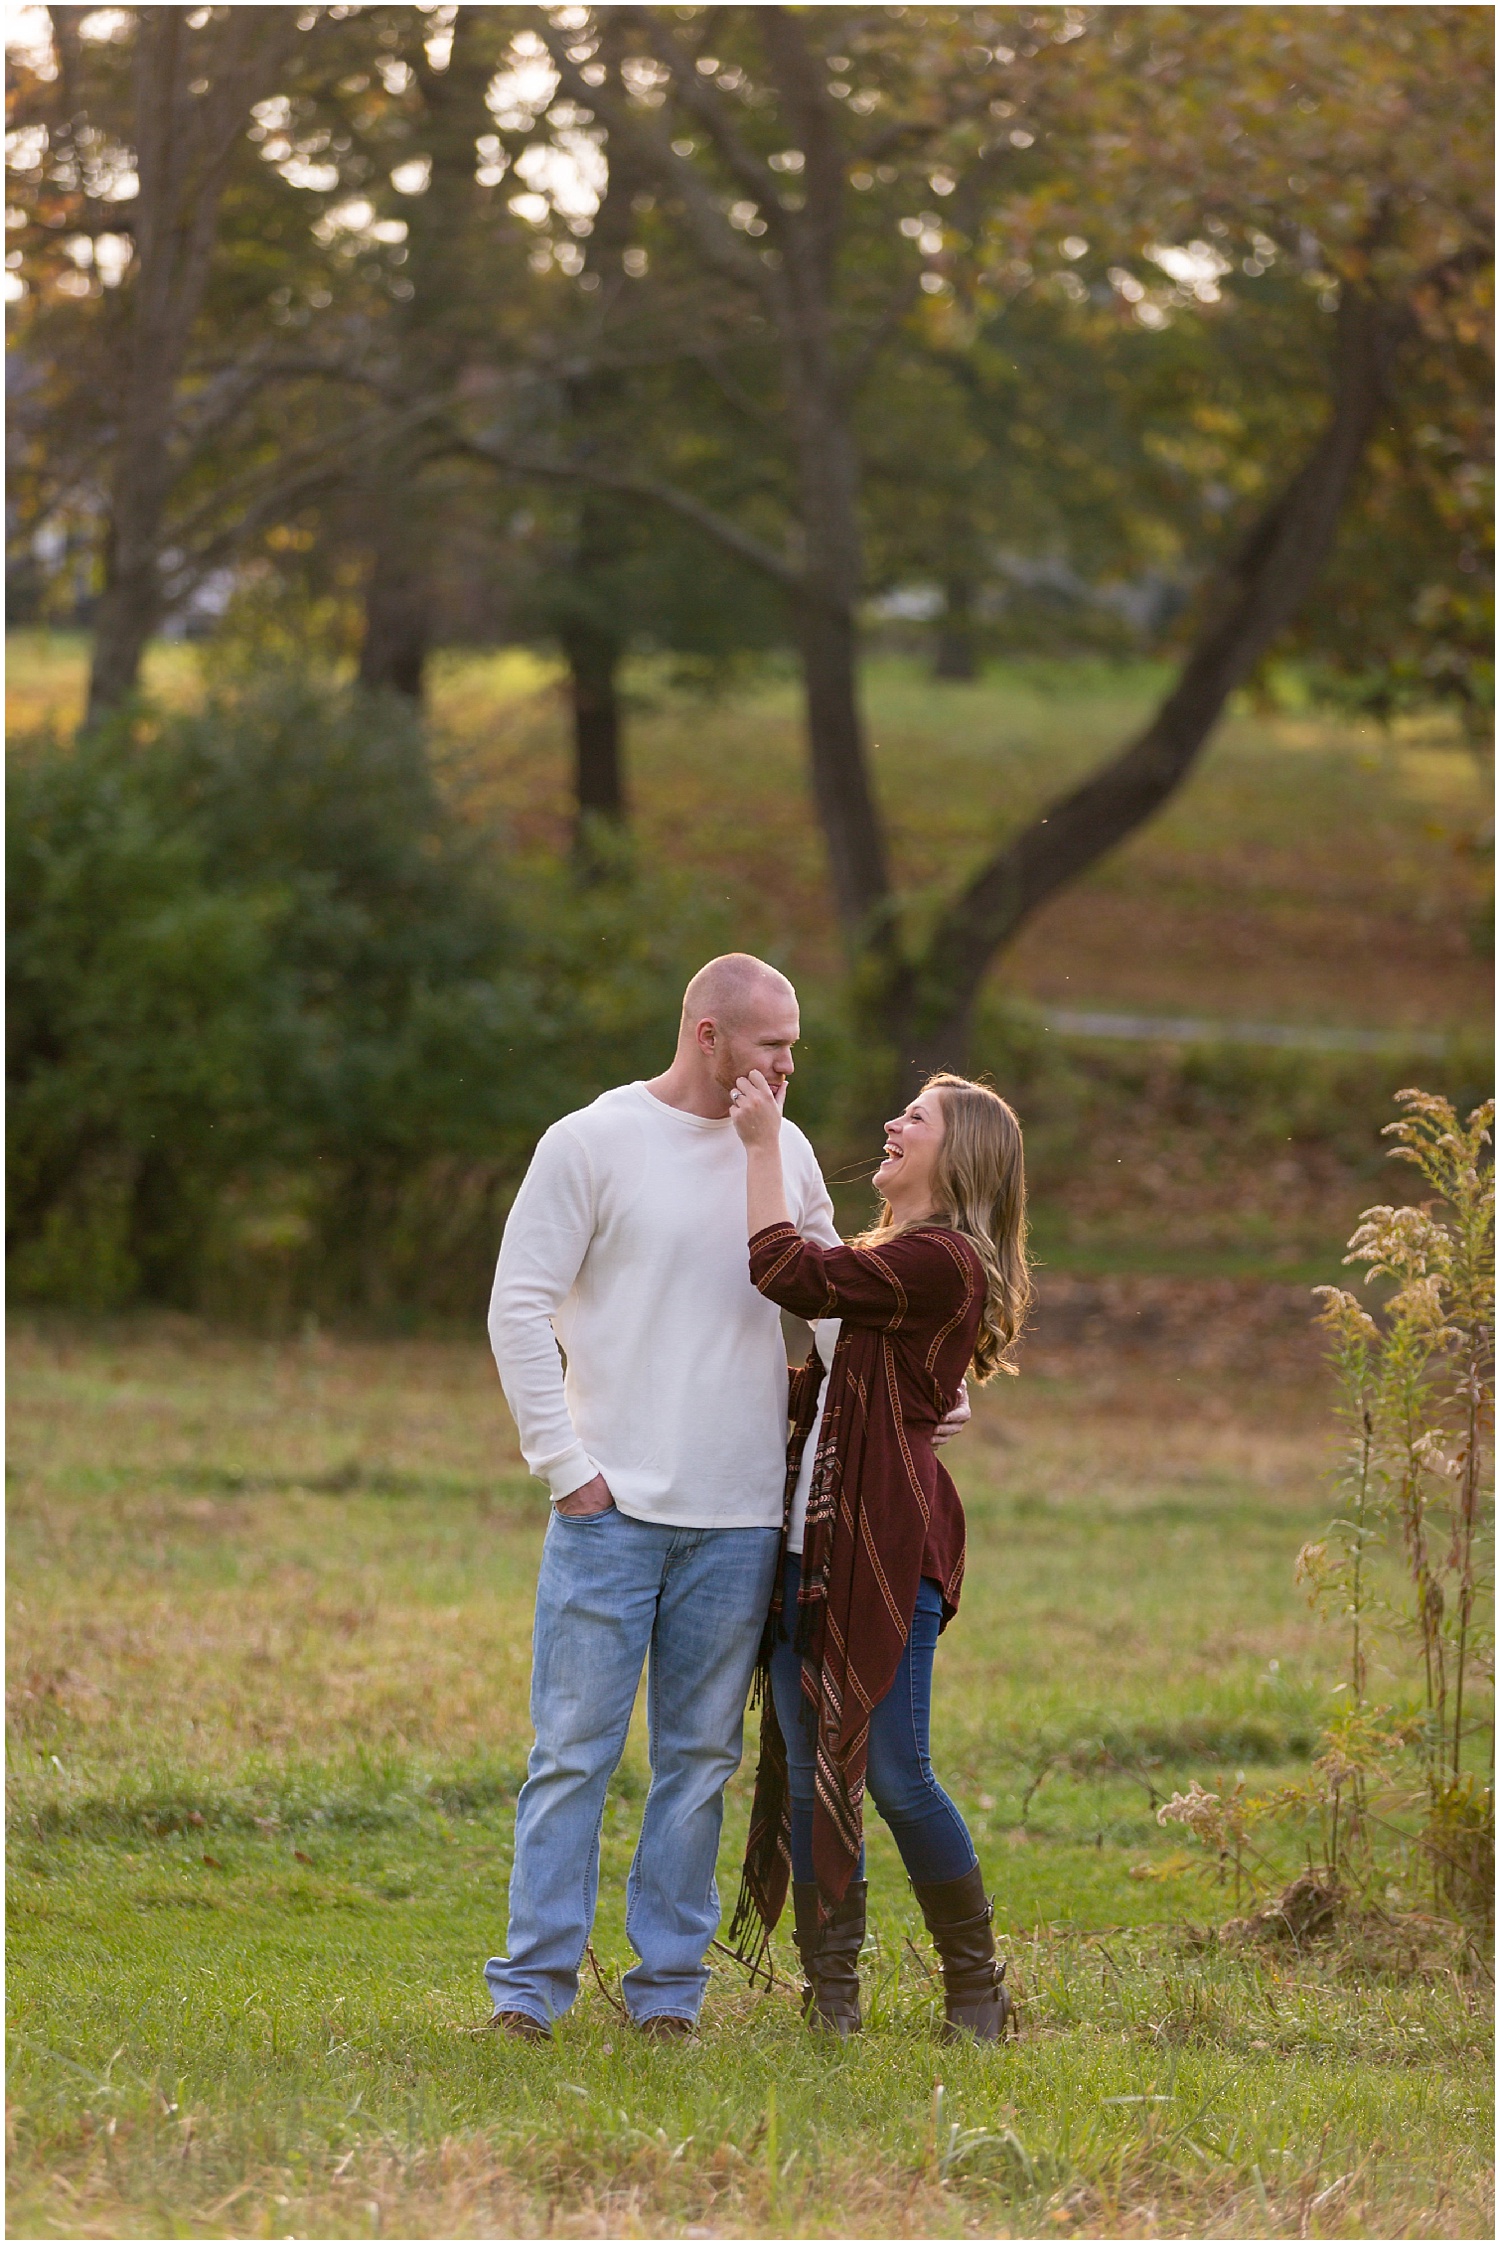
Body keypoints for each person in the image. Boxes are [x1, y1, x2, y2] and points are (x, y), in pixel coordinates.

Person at [483, 953, 970, 2041]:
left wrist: (936, 1382)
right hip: (608, 1510)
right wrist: (568, 1472)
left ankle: (668, 1995)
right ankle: (530, 1991)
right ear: (709, 1035)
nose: (791, 1064)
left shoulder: (783, 1151)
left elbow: (833, 1289)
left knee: (701, 1759)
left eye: (793, 1043)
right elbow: (517, 1309)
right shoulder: (591, 1141)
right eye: (772, 1044)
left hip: (742, 1517)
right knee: (572, 1753)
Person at [726, 1064, 1030, 2043]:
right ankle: (831, 1995)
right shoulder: (895, 1258)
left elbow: (787, 1269)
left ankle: (978, 1991)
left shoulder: (942, 1259)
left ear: (962, 1155)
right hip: (813, 1540)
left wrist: (765, 1141)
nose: (893, 1123)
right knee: (818, 1756)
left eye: (918, 1118)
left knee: (896, 1771)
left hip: (890, 1544)